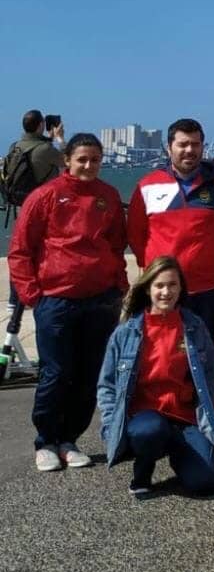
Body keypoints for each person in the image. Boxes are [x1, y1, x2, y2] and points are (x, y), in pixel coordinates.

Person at [9, 133, 127, 472]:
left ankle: (70, 439)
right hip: (56, 300)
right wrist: (32, 294)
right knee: (55, 373)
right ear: (67, 161)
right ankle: (46, 440)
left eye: (95, 160)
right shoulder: (44, 196)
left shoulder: (107, 196)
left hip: (101, 300)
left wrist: (119, 284)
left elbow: (117, 245)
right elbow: (20, 250)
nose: (88, 166)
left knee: (88, 373)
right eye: (82, 160)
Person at [96, 256, 214, 497]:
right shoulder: (126, 333)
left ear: (181, 288)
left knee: (205, 482)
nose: (166, 292)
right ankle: (144, 469)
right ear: (147, 289)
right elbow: (107, 385)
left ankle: (181, 452)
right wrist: (109, 425)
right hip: (146, 418)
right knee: (150, 431)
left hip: (184, 417)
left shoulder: (195, 327)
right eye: (159, 285)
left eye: (173, 285)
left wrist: (209, 418)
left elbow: (209, 377)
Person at [127, 118, 214, 343]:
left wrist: (209, 259)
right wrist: (153, 266)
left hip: (207, 288)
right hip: (163, 290)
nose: (190, 150)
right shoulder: (148, 185)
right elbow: (136, 234)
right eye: (183, 144)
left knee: (206, 352)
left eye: (196, 144)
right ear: (169, 148)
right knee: (164, 351)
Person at [2, 109, 65, 215]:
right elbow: (68, 161)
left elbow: (36, 152)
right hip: (42, 205)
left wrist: (49, 139)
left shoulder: (14, 147)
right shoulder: (45, 149)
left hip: (20, 204)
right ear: (40, 125)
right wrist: (60, 139)